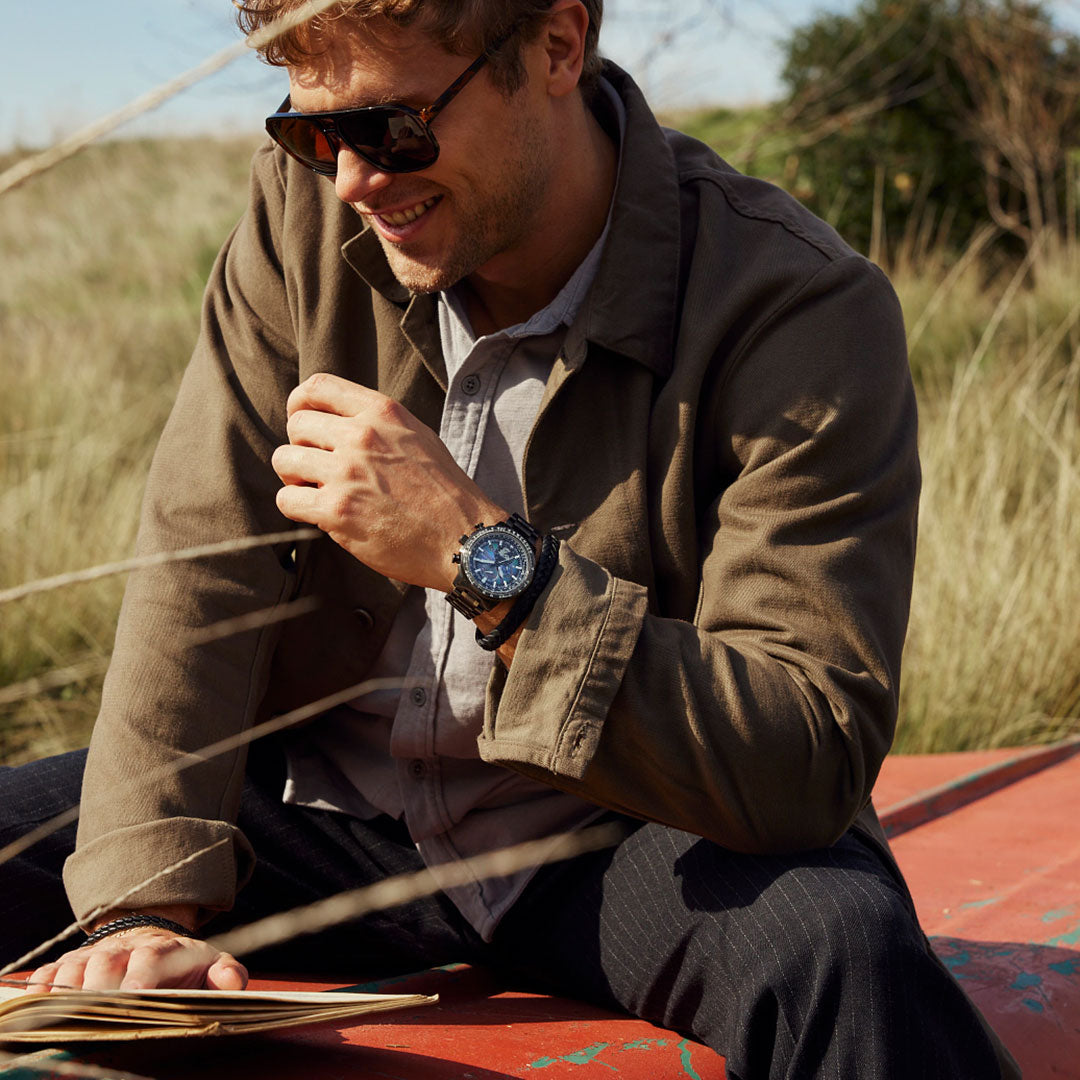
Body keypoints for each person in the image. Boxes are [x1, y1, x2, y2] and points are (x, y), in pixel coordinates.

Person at [0, 1, 1017, 1075]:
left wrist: (488, 560)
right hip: (321, 812)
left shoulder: (797, 307)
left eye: (394, 129)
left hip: (605, 837)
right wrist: (137, 907)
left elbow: (804, 746)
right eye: (313, 133)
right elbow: (200, 559)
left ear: (556, 46)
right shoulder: (308, 216)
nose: (351, 179)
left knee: (839, 955)